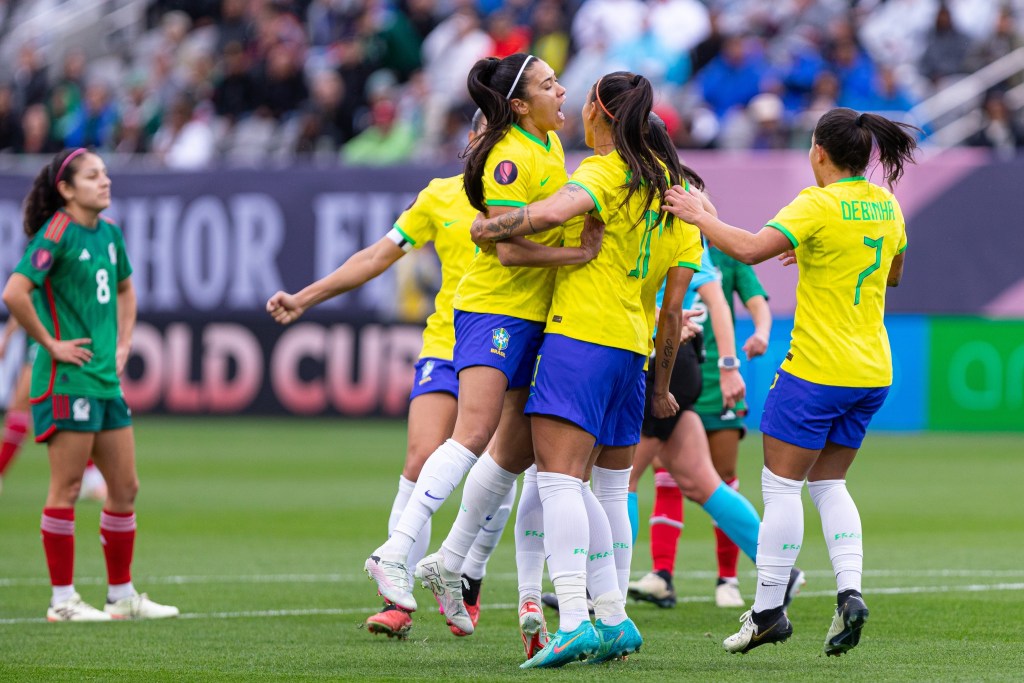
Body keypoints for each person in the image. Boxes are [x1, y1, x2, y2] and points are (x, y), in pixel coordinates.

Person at [664, 107, 916, 656]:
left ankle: (768, 611)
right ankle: (850, 592)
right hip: (872, 370)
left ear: (818, 152)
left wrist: (696, 214)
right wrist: (817, 254)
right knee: (830, 485)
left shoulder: (817, 203)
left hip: (816, 370)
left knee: (782, 488)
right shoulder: (887, 204)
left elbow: (750, 248)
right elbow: (892, 273)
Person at [267, 111, 526, 640]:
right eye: (481, 132)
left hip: (509, 339)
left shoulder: (536, 188)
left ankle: (467, 579)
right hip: (448, 341)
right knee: (419, 457)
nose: (489, 142)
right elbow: (379, 255)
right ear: (472, 139)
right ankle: (396, 597)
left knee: (497, 467)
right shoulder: (439, 195)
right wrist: (305, 298)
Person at [363, 53, 590, 639]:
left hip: (531, 315)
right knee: (473, 433)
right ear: (518, 103)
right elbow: (508, 249)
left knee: (511, 456)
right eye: (547, 84)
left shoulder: (549, 147)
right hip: (495, 311)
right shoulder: (510, 158)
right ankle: (397, 551)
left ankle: (457, 566)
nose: (561, 90)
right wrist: (576, 254)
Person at [467, 71, 683, 668]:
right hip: (632, 353)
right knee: (609, 490)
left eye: (579, 97)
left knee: (561, 481)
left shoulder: (605, 171)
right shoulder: (670, 184)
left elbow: (545, 215)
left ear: (598, 112)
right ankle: (613, 617)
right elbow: (673, 299)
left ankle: (574, 618)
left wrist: (489, 226)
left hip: (581, 338)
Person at [1, 147, 179, 621]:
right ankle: (63, 601)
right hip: (66, 379)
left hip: (103, 380)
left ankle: (121, 595)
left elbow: (125, 288)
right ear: (66, 188)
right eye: (93, 176)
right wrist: (50, 344)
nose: (105, 182)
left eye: (105, 174)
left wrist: (124, 342)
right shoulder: (56, 232)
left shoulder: (111, 234)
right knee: (68, 486)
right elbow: (15, 291)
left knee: (125, 487)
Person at [696, 244, 772, 608]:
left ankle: (728, 578)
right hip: (675, 372)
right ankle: (660, 574)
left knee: (722, 476)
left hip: (718, 379)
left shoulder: (727, 254)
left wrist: (762, 330)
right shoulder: (666, 237)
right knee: (663, 477)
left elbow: (756, 298)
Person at [0, 318, 107, 500]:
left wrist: (7, 336)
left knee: (21, 407)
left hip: (47, 337)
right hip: (59, 334)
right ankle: (92, 478)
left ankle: (93, 479)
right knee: (62, 409)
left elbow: (19, 296)